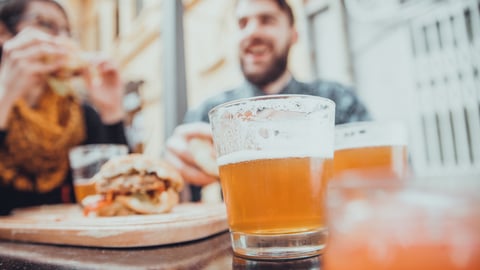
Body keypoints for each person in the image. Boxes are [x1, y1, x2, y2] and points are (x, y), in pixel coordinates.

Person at [165, 0, 371, 201]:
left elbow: (381, 181)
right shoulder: (209, 115)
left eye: (267, 20)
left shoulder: (337, 101)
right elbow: (181, 199)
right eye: (242, 23)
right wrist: (174, 175)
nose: (252, 32)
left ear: (294, 35)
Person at [0, 0, 128, 215]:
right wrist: (5, 95)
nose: (62, 39)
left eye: (67, 32)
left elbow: (121, 190)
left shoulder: (78, 113)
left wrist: (112, 111)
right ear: (4, 33)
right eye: (46, 25)